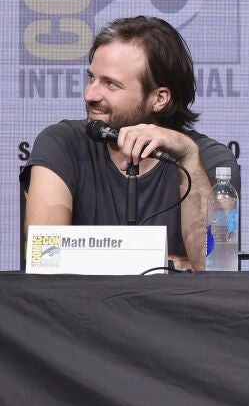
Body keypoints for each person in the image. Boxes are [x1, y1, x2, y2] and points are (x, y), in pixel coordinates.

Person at [23, 16, 237, 271]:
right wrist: (166, 263)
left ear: (159, 98)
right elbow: (46, 258)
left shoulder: (211, 161)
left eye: (111, 84)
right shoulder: (61, 143)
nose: (89, 94)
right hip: (82, 300)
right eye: (91, 78)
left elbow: (216, 269)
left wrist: (189, 159)